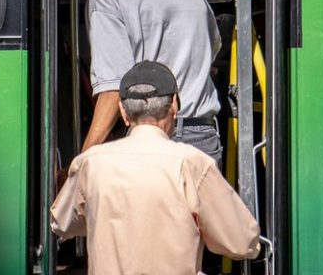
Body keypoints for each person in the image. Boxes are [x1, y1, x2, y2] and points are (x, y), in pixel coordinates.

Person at [51, 61, 260, 275]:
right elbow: (243, 242)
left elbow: (62, 223)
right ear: (174, 106)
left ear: (123, 111)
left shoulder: (91, 163)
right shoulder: (193, 164)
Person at [83, 0, 224, 166]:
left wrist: (84, 157)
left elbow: (113, 87)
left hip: (149, 142)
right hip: (203, 139)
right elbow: (213, 47)